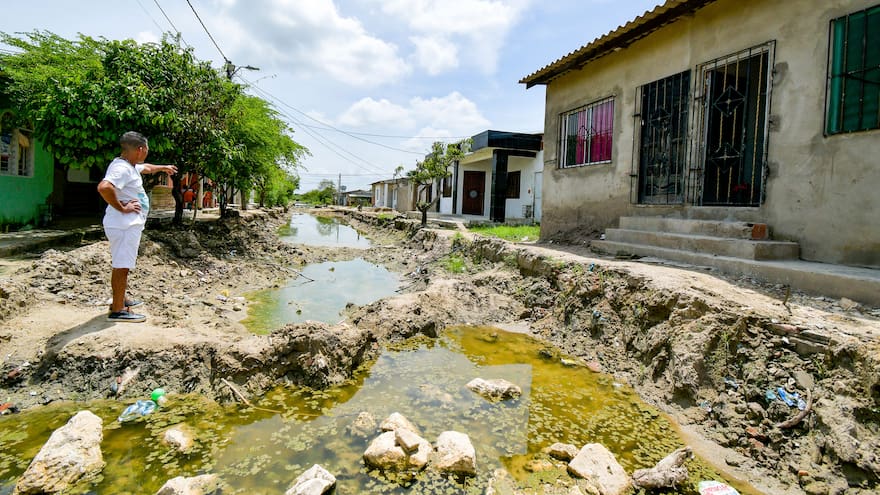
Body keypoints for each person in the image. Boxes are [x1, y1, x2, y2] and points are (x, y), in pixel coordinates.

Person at [97, 131, 177, 323]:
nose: (146, 154)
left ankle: (121, 299)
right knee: (122, 265)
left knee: (122, 263)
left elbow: (146, 168)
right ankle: (118, 309)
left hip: (126, 225)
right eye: (147, 150)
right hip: (123, 225)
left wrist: (163, 167)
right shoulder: (121, 169)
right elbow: (104, 187)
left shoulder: (129, 165)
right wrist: (122, 207)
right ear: (140, 149)